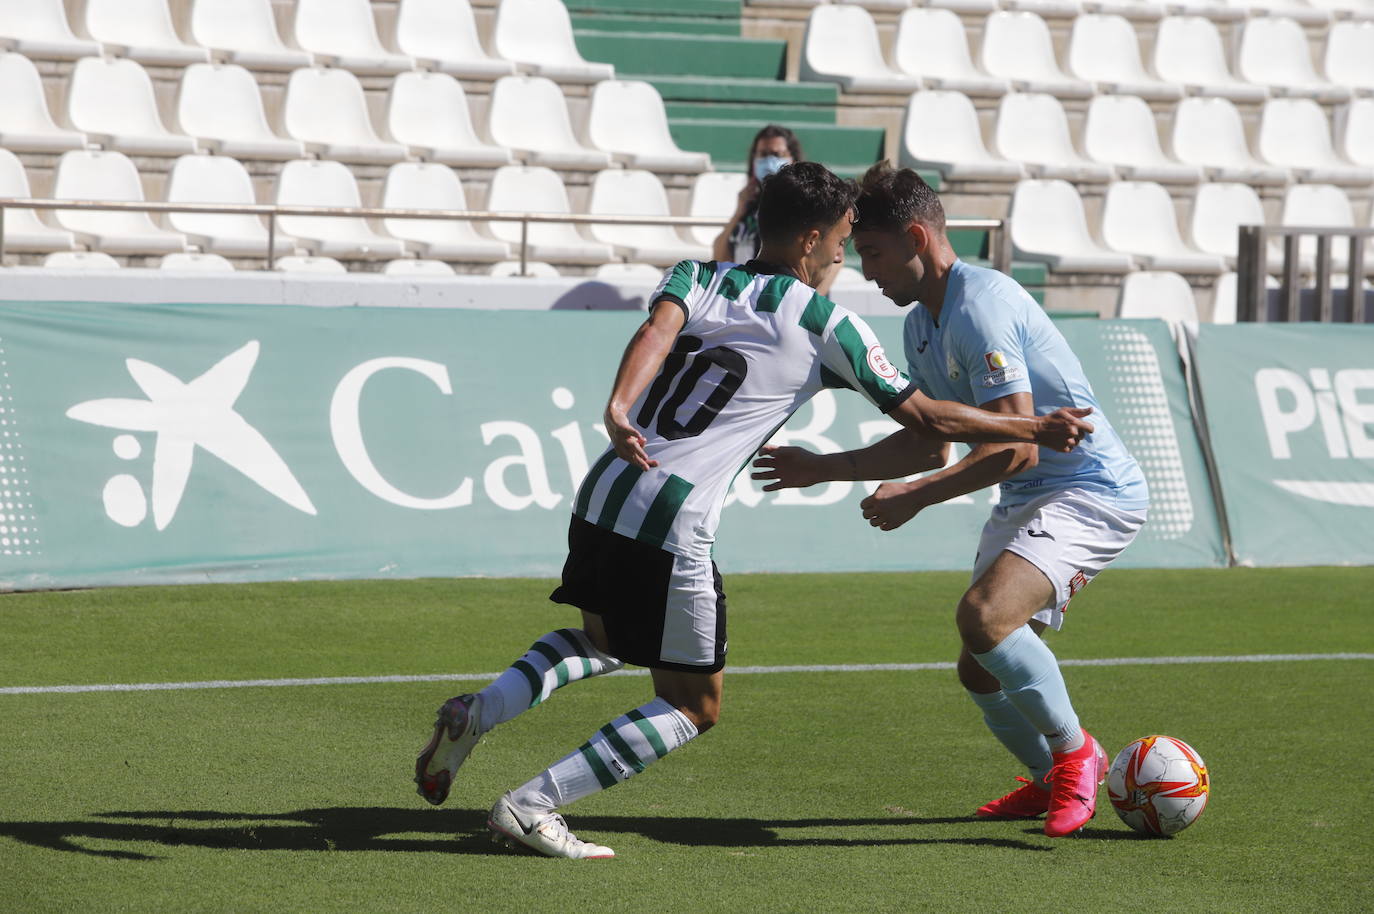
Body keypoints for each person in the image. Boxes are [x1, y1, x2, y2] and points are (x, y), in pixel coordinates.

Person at [414, 162, 1097, 859]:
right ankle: (533, 806)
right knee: (692, 705)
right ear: (807, 240)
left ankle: (482, 710)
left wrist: (619, 407)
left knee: (609, 640)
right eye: (838, 241)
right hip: (673, 523)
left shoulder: (699, 275)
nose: (842, 256)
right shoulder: (827, 321)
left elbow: (655, 335)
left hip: (606, 491)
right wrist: (1032, 429)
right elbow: (925, 418)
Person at [752, 163, 1149, 838]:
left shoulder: (980, 305)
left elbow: (1019, 446)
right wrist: (824, 467)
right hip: (1033, 493)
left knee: (984, 617)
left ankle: (1078, 755)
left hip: (1090, 490)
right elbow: (929, 443)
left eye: (873, 252)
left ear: (915, 237)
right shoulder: (922, 327)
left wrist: (917, 499)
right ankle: (1051, 778)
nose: (866, 272)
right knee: (980, 668)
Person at [712, 125, 842, 296]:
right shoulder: (748, 209)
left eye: (777, 154)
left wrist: (809, 302)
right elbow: (720, 256)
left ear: (793, 159)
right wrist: (739, 211)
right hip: (745, 299)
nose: (769, 160)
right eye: (763, 154)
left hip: (788, 300)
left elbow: (835, 259)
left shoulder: (808, 204)